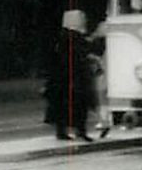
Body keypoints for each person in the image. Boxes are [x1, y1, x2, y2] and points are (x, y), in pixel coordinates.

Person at [46, 11, 110, 141]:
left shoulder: (61, 38)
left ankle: (62, 131)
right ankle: (81, 131)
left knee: (63, 106)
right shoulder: (76, 38)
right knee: (80, 105)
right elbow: (88, 51)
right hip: (76, 78)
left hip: (62, 78)